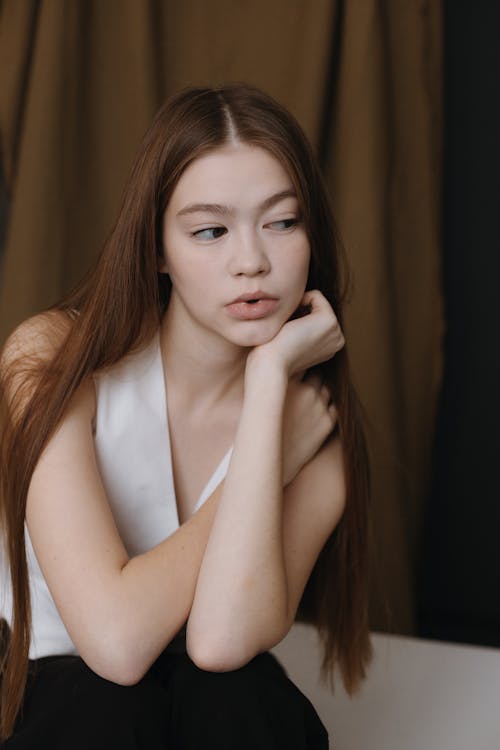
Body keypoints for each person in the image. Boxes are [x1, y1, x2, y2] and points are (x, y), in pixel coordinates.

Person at [0, 84, 371, 748]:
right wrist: (270, 460)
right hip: (48, 681)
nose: (252, 261)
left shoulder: (314, 428)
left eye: (282, 222)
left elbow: (224, 643)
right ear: (157, 249)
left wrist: (266, 389)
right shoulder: (50, 359)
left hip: (208, 692)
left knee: (237, 697)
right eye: (210, 230)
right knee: (106, 706)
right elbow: (114, 643)